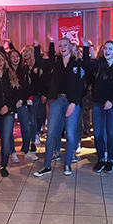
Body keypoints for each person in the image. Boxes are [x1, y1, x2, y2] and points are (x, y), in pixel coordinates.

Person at [33, 36, 85, 177]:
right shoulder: (55, 63)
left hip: (71, 102)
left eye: (65, 45)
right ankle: (47, 165)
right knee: (50, 133)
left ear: (70, 46)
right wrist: (37, 46)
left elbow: (80, 85)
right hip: (56, 101)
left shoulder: (77, 63)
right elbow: (39, 61)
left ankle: (67, 163)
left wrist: (73, 103)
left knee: (70, 133)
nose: (62, 48)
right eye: (60, 45)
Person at [82, 38, 113, 173]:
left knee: (111, 133)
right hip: (98, 104)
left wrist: (112, 101)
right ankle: (101, 159)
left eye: (110, 49)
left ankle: (110, 159)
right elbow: (87, 64)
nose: (107, 51)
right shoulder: (100, 65)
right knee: (98, 134)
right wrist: (86, 47)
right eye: (105, 48)